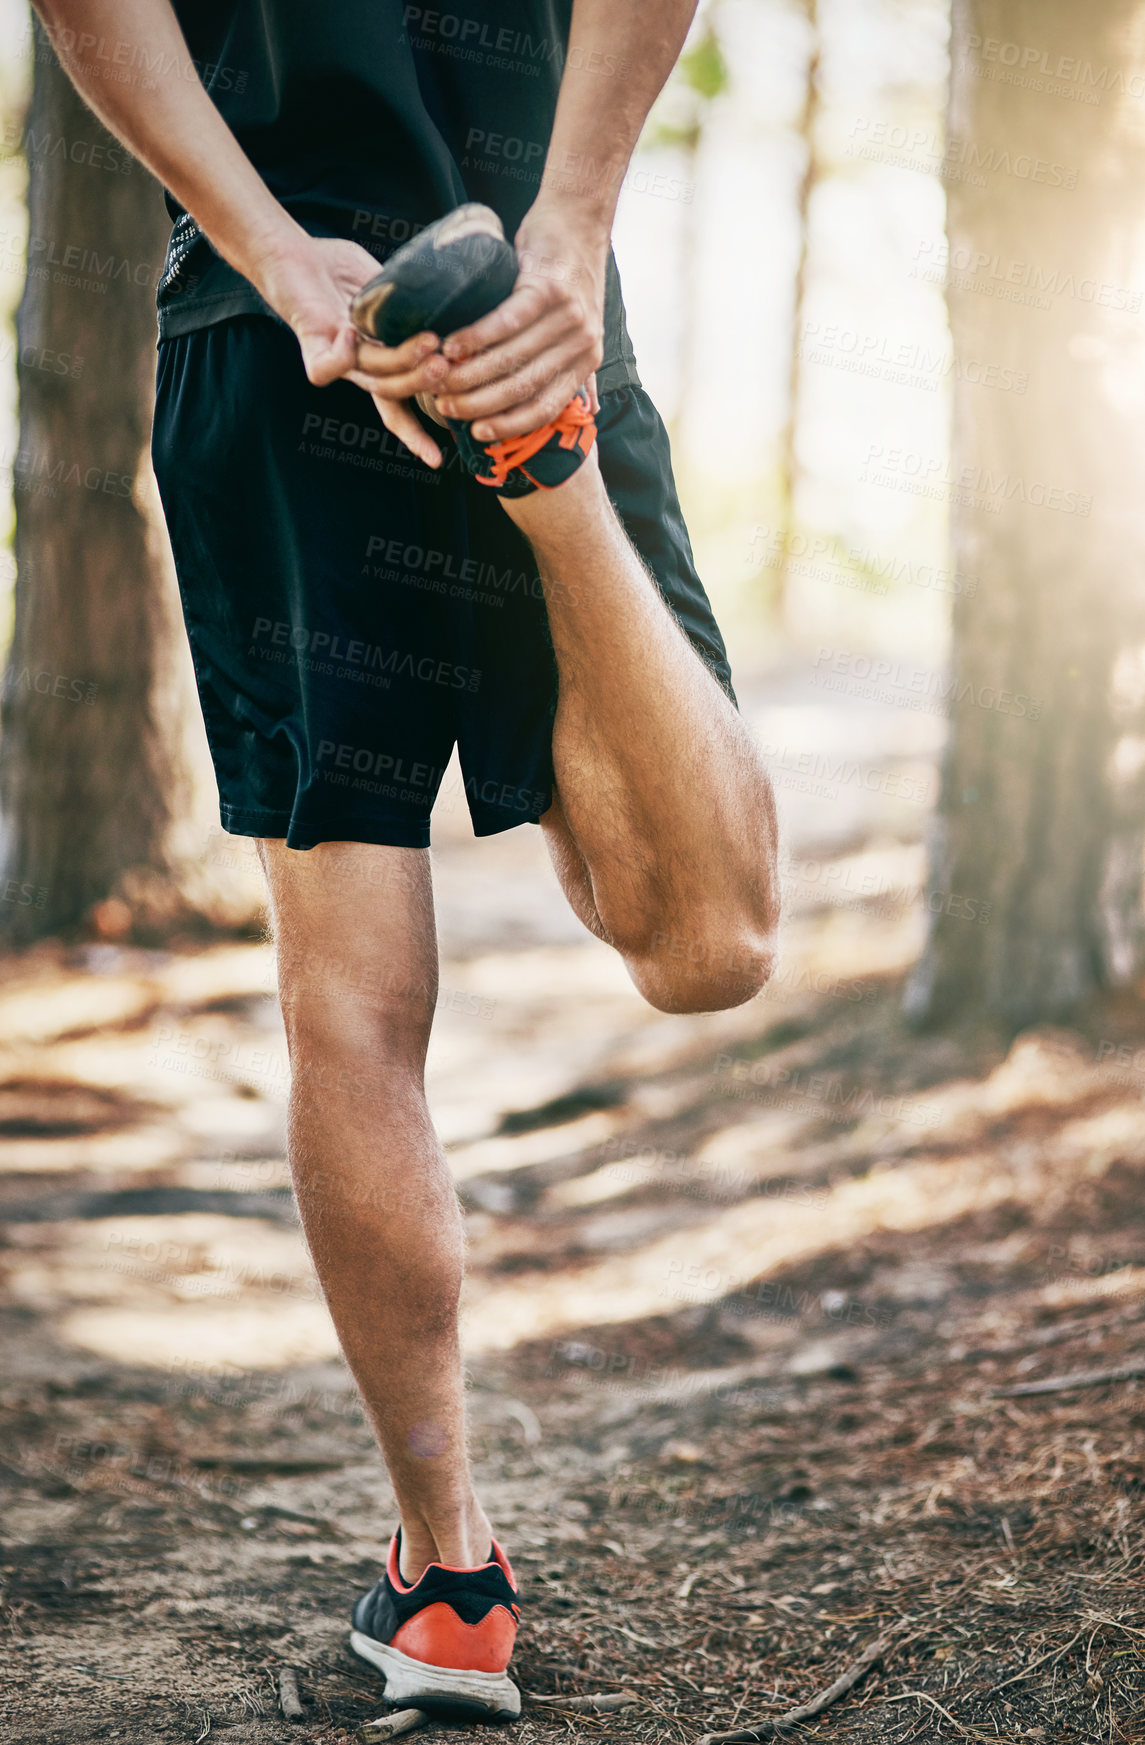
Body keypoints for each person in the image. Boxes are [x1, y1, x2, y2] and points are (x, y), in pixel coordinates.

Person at [34, 0, 780, 1721]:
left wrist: (275, 253)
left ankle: (447, 1580)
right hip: (521, 302)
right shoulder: (543, 275)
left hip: (276, 338)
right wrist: (569, 229)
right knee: (705, 941)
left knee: (355, 1008)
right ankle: (546, 474)